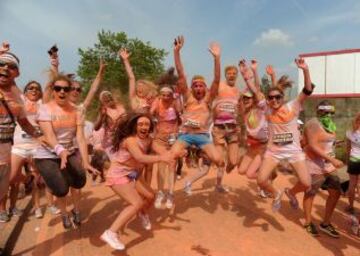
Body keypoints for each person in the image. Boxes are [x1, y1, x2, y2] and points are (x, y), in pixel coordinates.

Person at [34, 74, 98, 229]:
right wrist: (60, 151)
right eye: (58, 88)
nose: (62, 91)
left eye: (66, 89)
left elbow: (80, 138)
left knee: (79, 182)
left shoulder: (77, 111)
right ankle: (64, 213)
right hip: (47, 154)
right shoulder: (45, 109)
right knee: (61, 189)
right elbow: (49, 136)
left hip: (68, 152)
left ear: (70, 91)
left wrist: (87, 162)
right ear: (53, 90)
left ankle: (76, 210)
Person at [100, 113, 173, 250]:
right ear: (135, 126)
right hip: (118, 175)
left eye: (147, 124)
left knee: (151, 196)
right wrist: (161, 158)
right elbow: (140, 158)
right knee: (136, 203)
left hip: (133, 174)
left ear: (150, 127)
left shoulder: (149, 140)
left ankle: (142, 213)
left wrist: (175, 153)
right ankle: (110, 233)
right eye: (140, 124)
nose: (144, 127)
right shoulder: (130, 141)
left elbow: (162, 150)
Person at [254, 57, 313, 212]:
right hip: (274, 151)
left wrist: (305, 69)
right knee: (260, 180)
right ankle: (276, 193)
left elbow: (307, 89)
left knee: (306, 183)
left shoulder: (293, 105)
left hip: (293, 151)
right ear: (268, 100)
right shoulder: (267, 109)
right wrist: (252, 72)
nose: (274, 100)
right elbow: (256, 90)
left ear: (283, 97)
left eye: (277, 97)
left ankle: (291, 192)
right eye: (271, 97)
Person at [170, 36, 225, 194]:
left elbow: (216, 79)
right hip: (185, 136)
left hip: (202, 136)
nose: (198, 88)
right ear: (192, 88)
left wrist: (217, 58)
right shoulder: (188, 97)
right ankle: (185, 156)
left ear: (205, 88)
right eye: (195, 86)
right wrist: (176, 52)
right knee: (172, 155)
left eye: (201, 85)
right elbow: (181, 74)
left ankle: (199, 160)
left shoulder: (208, 99)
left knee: (218, 160)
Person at [285, 101, 344, 237]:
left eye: (330, 112)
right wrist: (333, 160)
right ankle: (308, 221)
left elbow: (326, 141)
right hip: (313, 163)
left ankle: (326, 223)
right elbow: (312, 145)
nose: (328, 115)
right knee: (311, 192)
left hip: (328, 164)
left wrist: (335, 143)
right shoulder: (313, 124)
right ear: (318, 111)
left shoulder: (330, 125)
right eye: (325, 112)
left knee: (335, 192)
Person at [0, 51, 44, 204]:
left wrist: (42, 136)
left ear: (17, 73)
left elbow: (25, 123)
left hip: (6, 147)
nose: (5, 68)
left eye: (11, 67)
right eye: (1, 64)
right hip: (17, 147)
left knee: (6, 184)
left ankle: (29, 180)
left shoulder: (18, 100)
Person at [120, 48, 157, 185]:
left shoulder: (150, 101)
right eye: (138, 87)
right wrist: (126, 60)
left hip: (149, 134)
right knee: (137, 163)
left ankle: (147, 188)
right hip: (135, 134)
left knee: (150, 164)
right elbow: (131, 77)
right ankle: (135, 185)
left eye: (142, 87)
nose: (139, 88)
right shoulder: (133, 99)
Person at [237, 60, 270, 197]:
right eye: (244, 98)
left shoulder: (259, 108)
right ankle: (265, 177)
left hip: (263, 147)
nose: (246, 100)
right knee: (241, 171)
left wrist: (252, 73)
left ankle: (266, 183)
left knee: (251, 174)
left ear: (254, 100)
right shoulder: (245, 112)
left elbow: (256, 89)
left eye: (248, 98)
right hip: (252, 147)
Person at [151, 69, 181, 209]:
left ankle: (170, 193)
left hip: (173, 137)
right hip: (160, 138)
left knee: (172, 165)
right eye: (163, 94)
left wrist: (177, 97)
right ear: (160, 94)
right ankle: (160, 192)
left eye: (168, 95)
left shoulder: (175, 101)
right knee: (161, 165)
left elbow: (181, 114)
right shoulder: (157, 102)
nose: (166, 97)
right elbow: (150, 115)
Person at [345, 112, 360, 213]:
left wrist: (347, 160)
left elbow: (348, 148)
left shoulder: (350, 132)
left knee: (352, 184)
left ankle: (351, 207)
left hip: (353, 159)